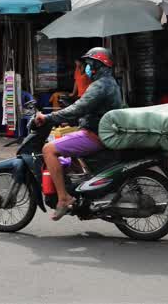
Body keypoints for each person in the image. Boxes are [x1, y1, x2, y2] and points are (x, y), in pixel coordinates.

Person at [34, 47, 124, 220]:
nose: (86, 68)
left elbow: (79, 108)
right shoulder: (111, 83)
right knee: (65, 143)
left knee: (48, 150)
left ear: (98, 65)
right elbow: (87, 108)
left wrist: (48, 117)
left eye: (89, 64)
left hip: (94, 135)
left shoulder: (99, 86)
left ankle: (63, 198)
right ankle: (78, 189)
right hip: (98, 131)